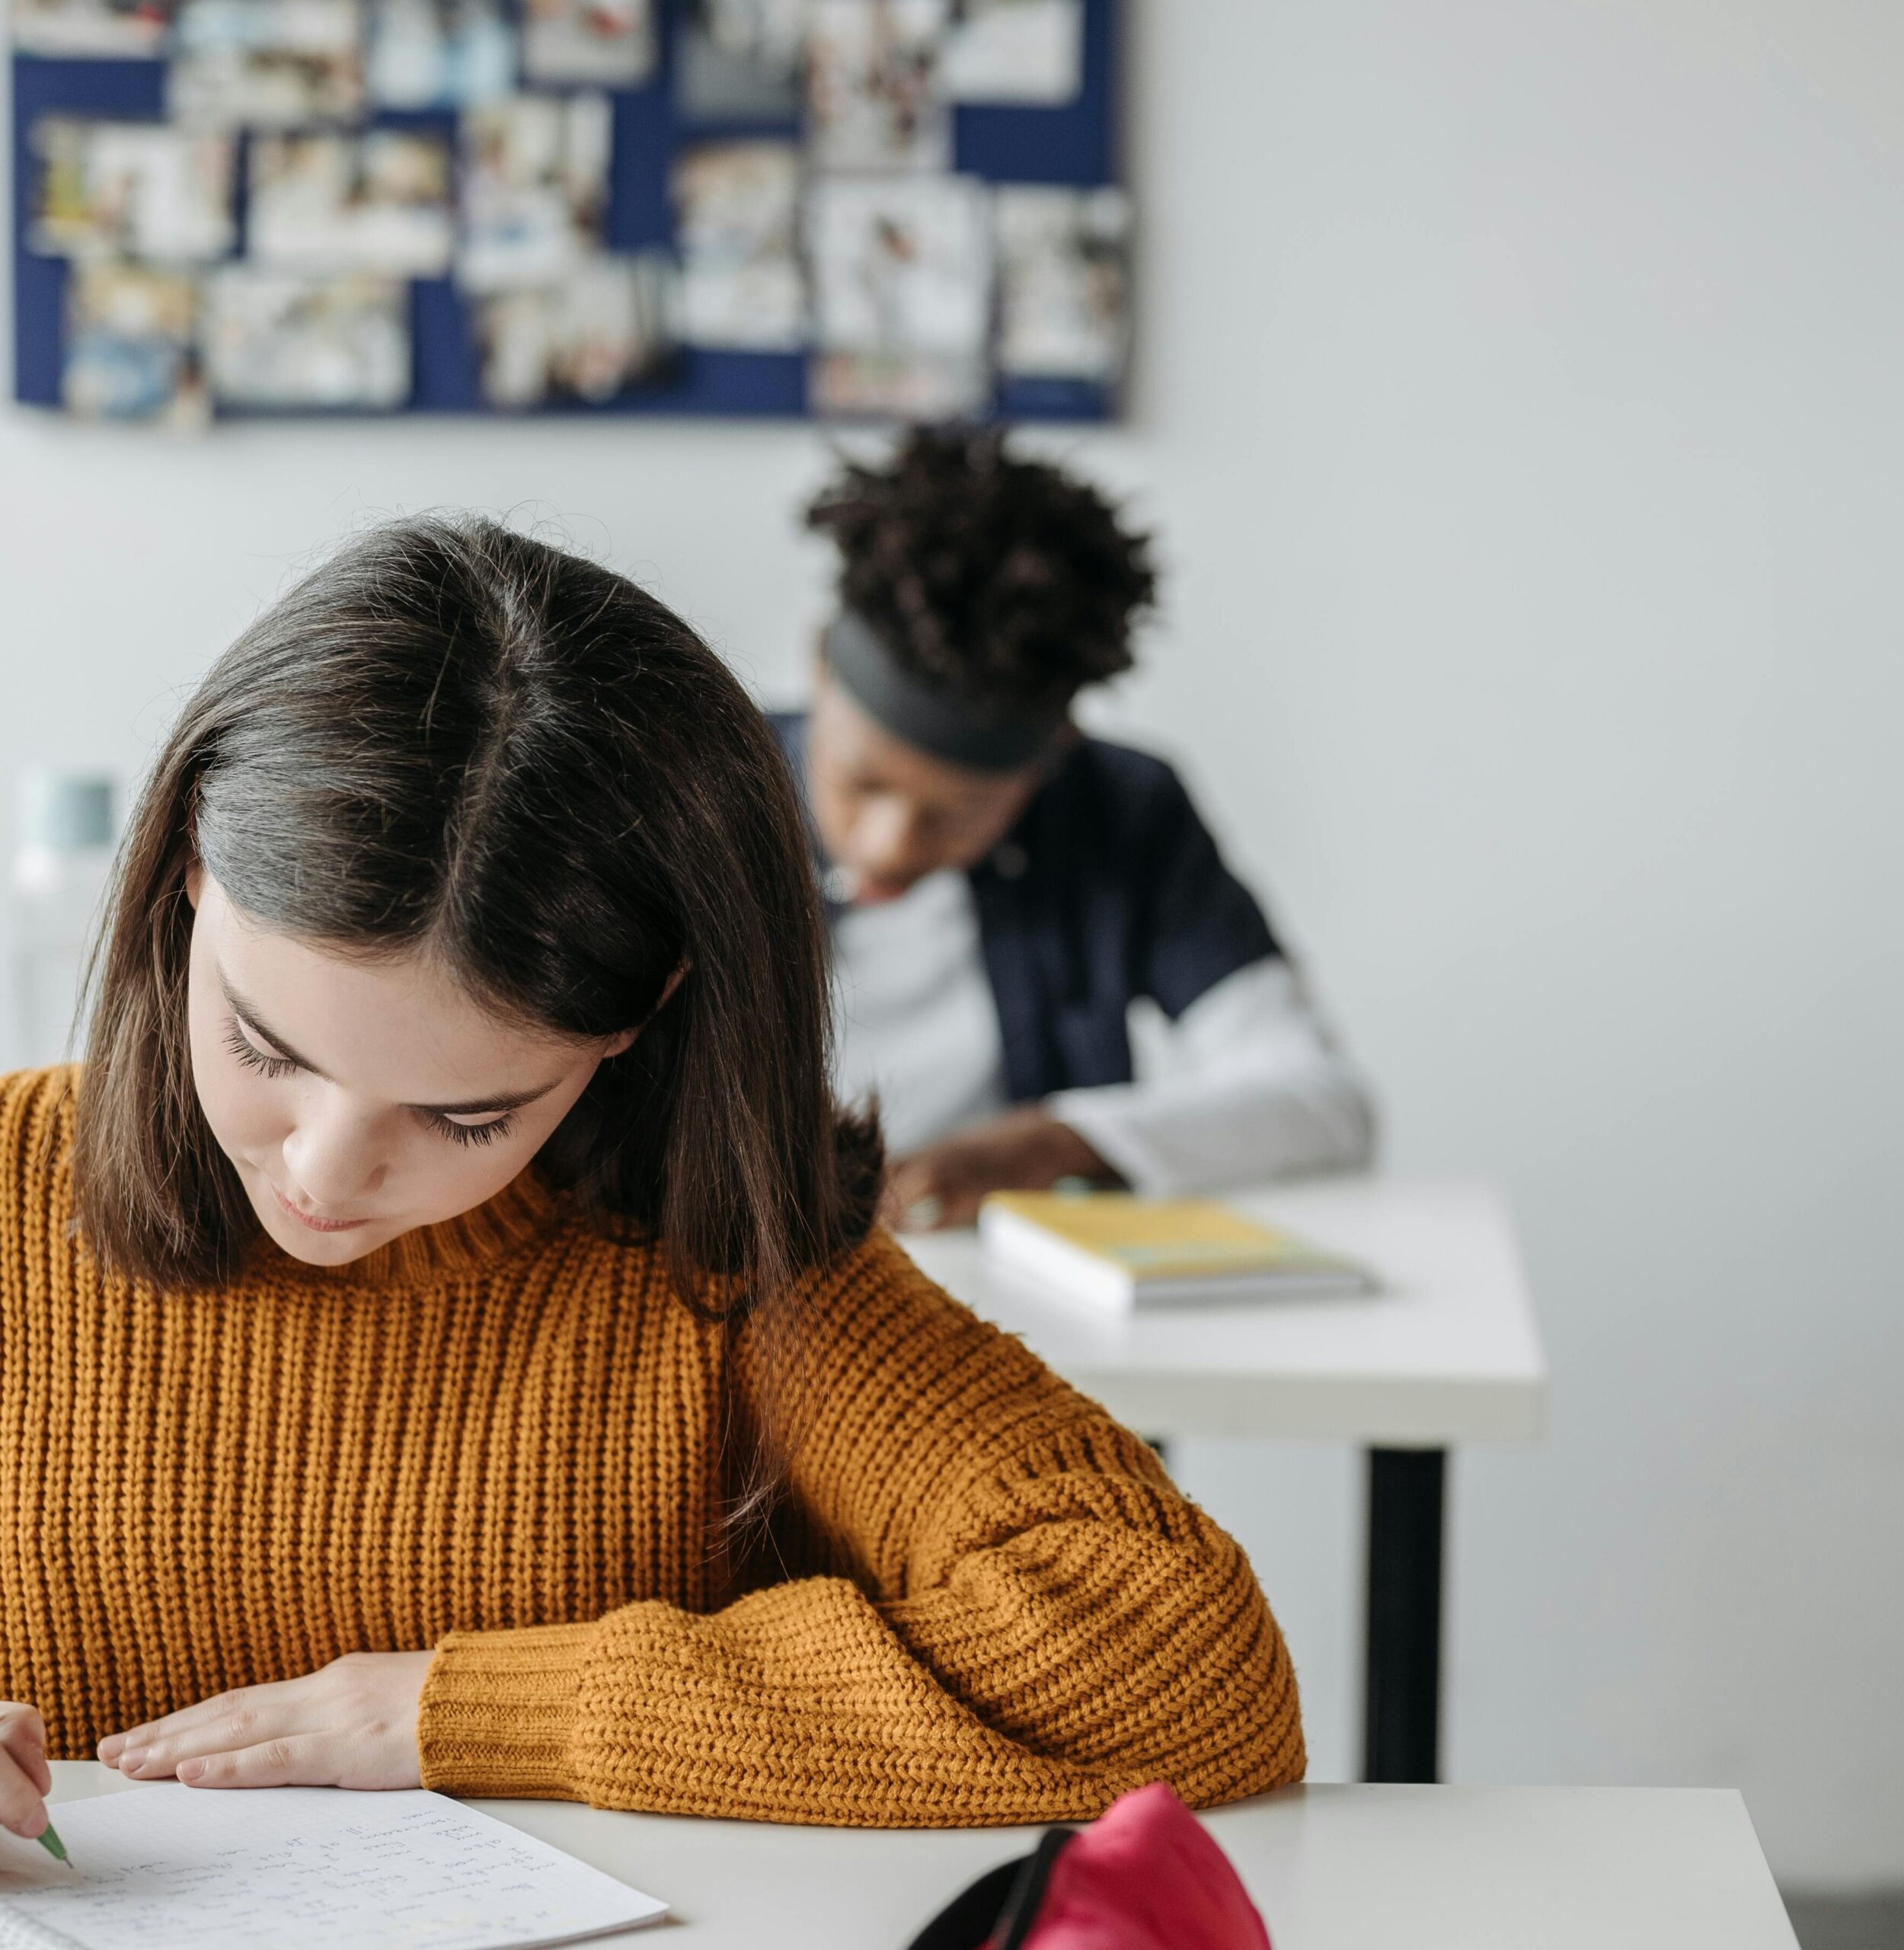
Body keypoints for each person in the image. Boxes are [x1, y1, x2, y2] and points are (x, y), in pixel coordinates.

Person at [0, 517, 1302, 1846]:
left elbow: (1181, 1656)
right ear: (187, 878)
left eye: (466, 1114)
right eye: (265, 1047)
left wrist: (493, 1710)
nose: (326, 1170)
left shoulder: (724, 1267)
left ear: (638, 1018)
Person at [784, 428, 1377, 1230]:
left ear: (1052, 754)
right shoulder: (685, 791)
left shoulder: (1121, 811)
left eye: (957, 812)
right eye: (860, 782)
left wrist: (1053, 1144)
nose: (889, 844)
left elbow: (1321, 1102)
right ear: (818, 667)